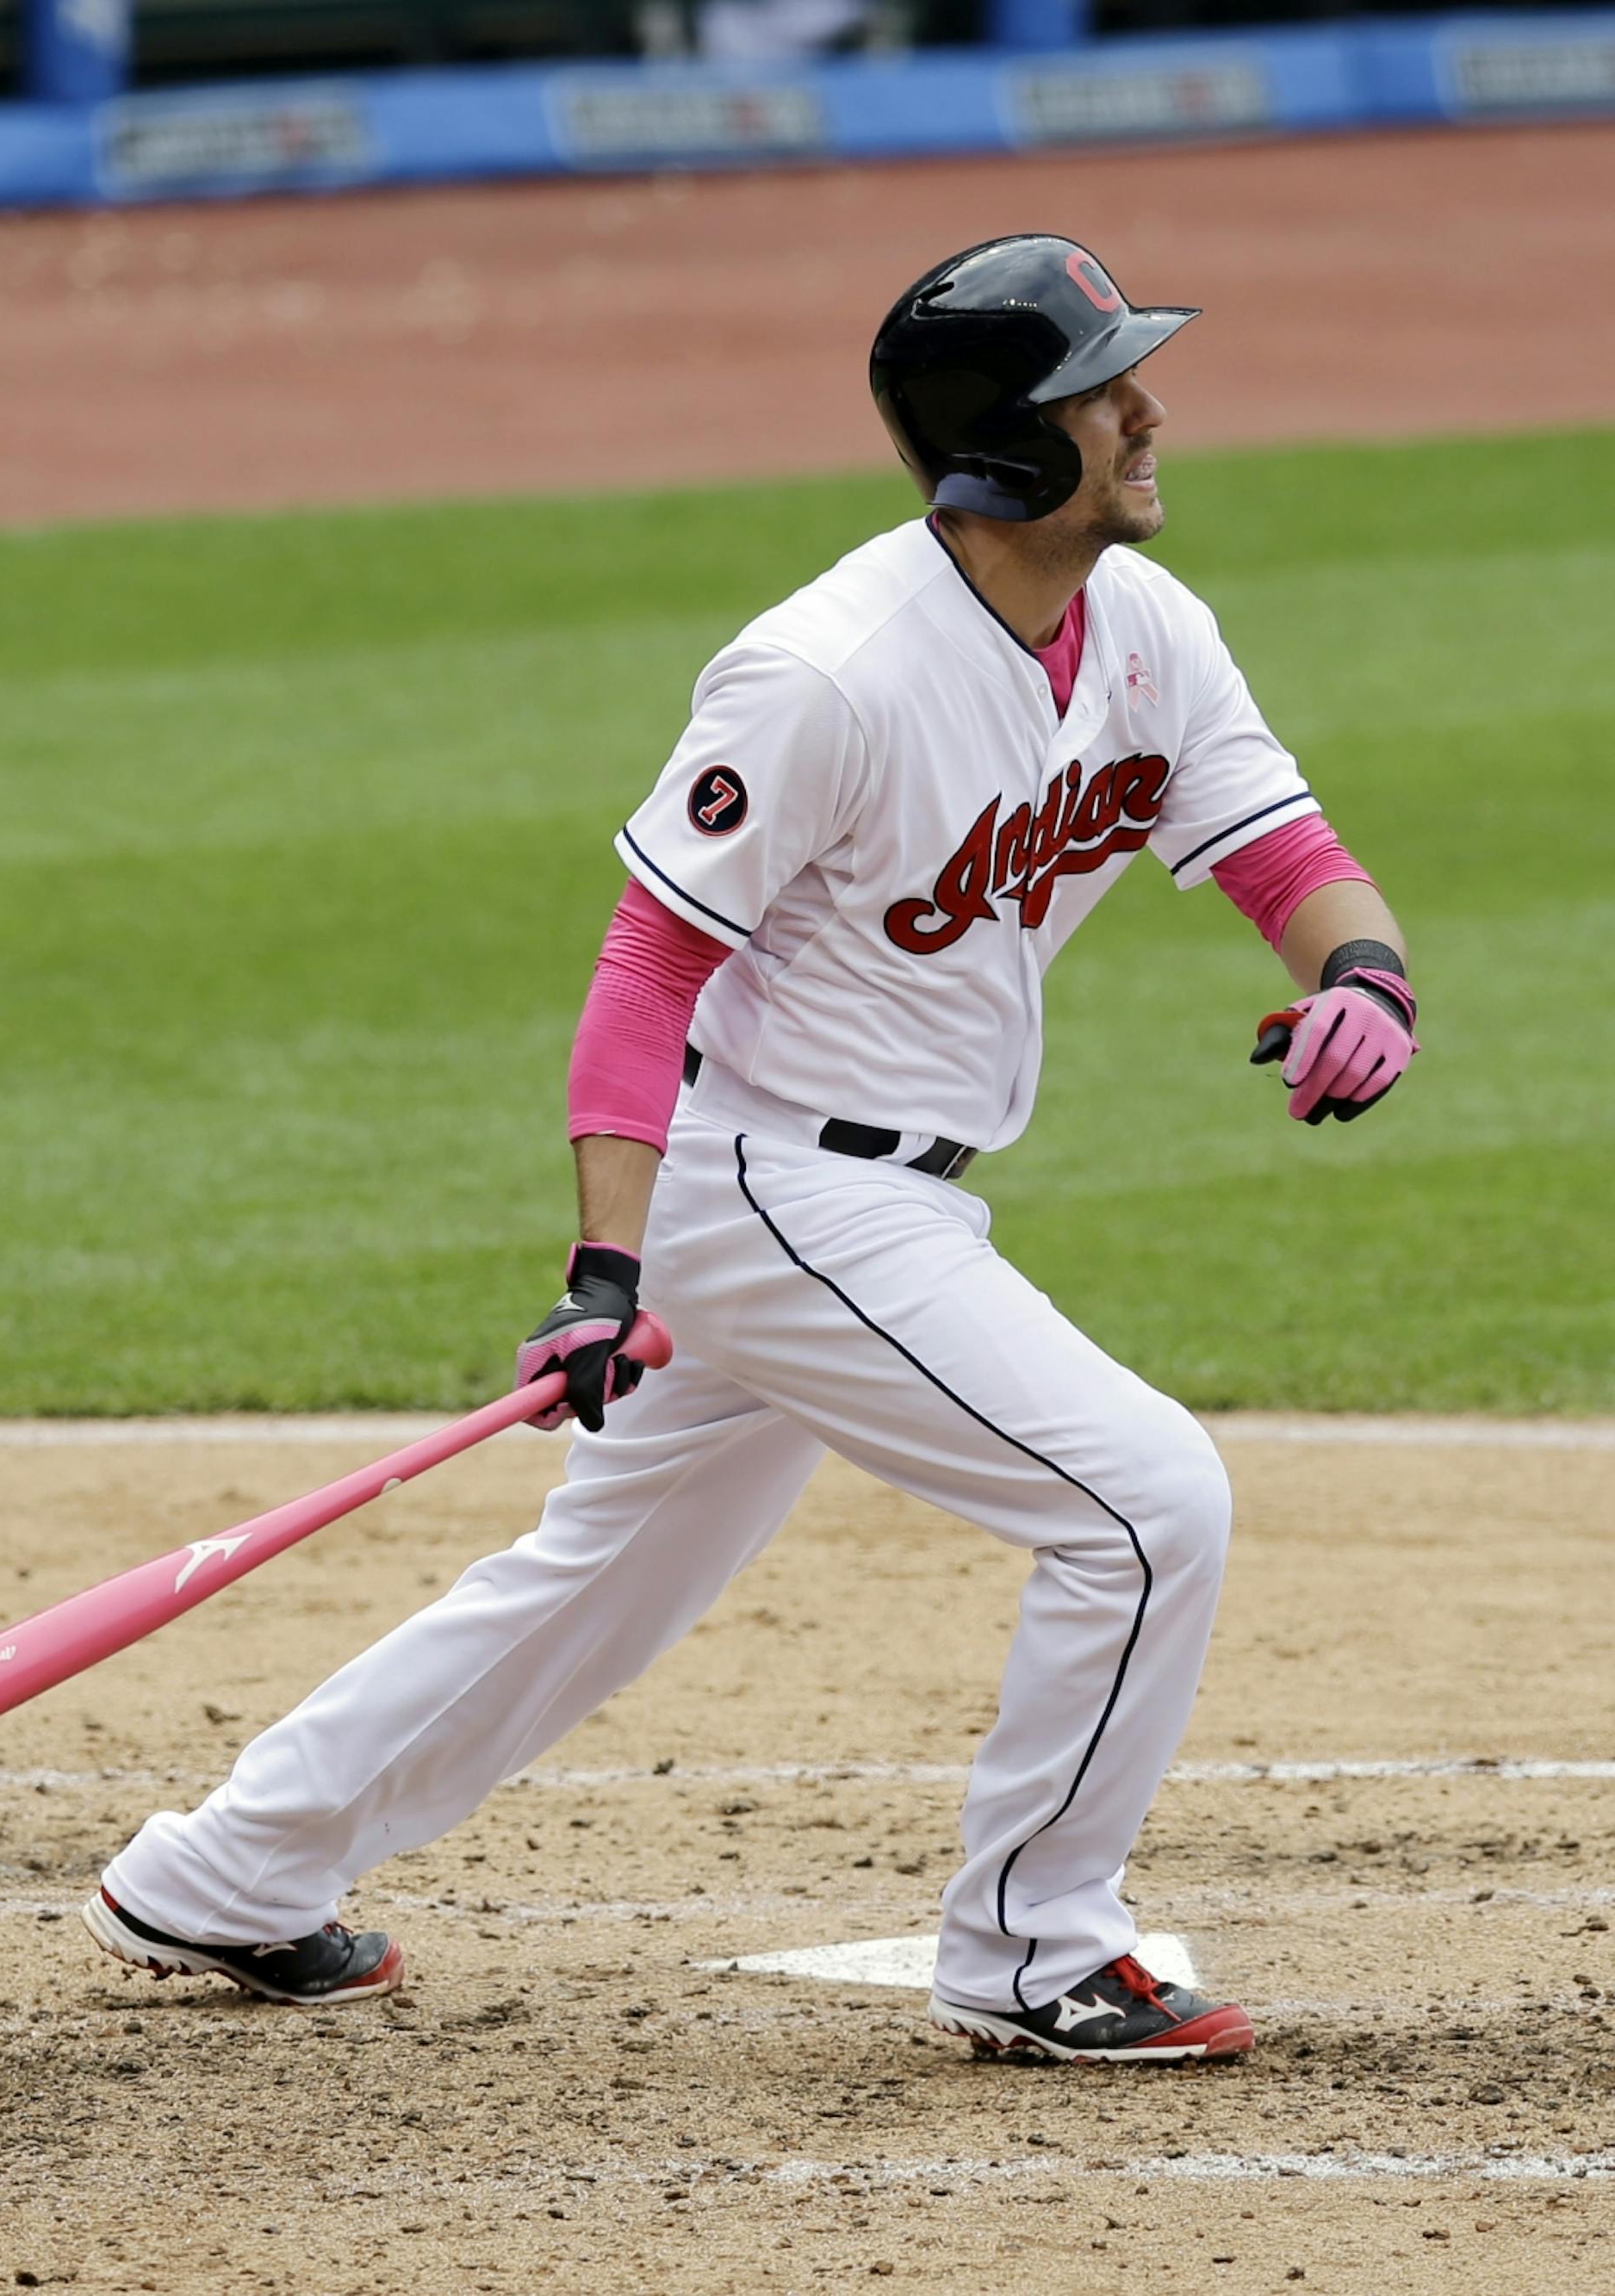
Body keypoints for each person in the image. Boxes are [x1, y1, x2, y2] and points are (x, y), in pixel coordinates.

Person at [84, 234, 1417, 2061]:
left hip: (864, 1198)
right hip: (776, 1184)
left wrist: (1368, 981)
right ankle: (1036, 1948)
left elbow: (1282, 852)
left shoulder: (1150, 635)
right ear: (1014, 449)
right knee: (1145, 1503)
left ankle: (226, 1875)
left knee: (602, 1589)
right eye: (1107, 390)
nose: (1149, 410)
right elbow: (648, 967)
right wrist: (606, 1265)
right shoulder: (828, 673)